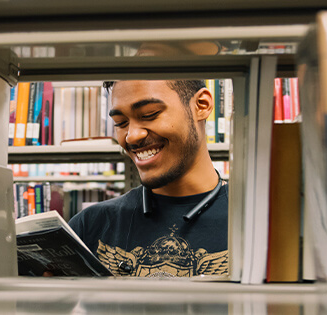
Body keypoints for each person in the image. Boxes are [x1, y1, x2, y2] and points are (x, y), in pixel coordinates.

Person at [67, 79, 228, 278]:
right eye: (121, 123)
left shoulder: (258, 222)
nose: (131, 136)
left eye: (149, 115)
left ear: (201, 105)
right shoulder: (89, 226)